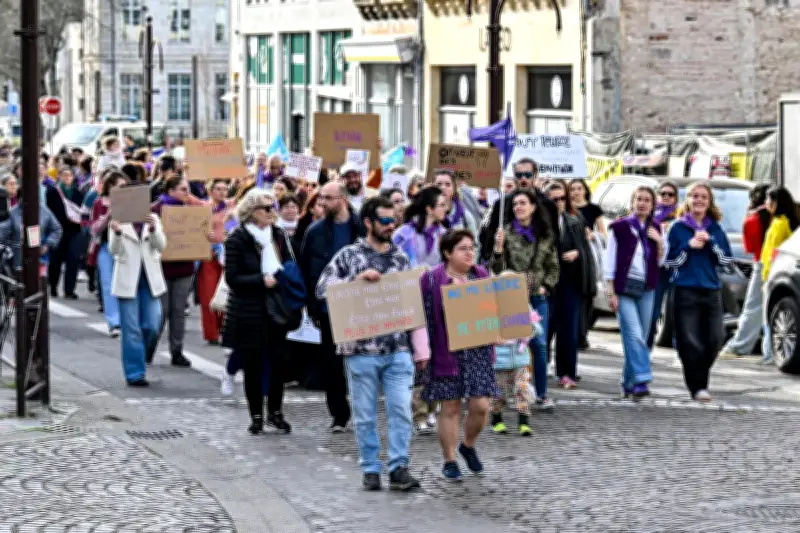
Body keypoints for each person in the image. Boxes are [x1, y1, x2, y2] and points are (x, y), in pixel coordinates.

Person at [316, 195, 427, 491]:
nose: (392, 226)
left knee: (401, 409)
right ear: (369, 222)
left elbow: (413, 303)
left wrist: (421, 348)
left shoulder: (402, 258)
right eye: (386, 221)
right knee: (364, 414)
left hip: (397, 348)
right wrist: (355, 280)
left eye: (395, 220)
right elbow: (321, 288)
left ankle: (399, 467)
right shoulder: (349, 255)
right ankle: (370, 468)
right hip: (360, 349)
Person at [419, 229, 501, 481]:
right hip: (446, 351)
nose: (470, 253)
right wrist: (423, 351)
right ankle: (450, 459)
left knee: (481, 406)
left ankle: (468, 444)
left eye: (471, 248)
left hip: (477, 352)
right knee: (450, 406)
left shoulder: (481, 275)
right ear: (447, 252)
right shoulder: (431, 280)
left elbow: (493, 310)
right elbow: (421, 318)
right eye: (463, 248)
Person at [223, 188, 295, 434]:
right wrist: (259, 280)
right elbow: (232, 278)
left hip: (276, 308)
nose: (271, 212)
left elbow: (289, 264)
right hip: (248, 310)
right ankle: (256, 415)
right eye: (266, 208)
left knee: (279, 363)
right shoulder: (237, 238)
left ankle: (275, 413)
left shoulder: (278, 235)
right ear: (251, 211)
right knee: (252, 365)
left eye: (272, 207)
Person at [300, 181, 365, 432]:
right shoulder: (314, 232)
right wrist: (311, 306)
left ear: (343, 199)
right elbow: (307, 271)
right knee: (332, 362)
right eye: (321, 198)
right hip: (329, 307)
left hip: (360, 305)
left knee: (360, 362)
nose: (323, 202)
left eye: (328, 197)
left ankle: (361, 410)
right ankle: (339, 414)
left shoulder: (362, 228)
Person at [665, 182, 733, 402]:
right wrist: (689, 245)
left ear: (709, 201)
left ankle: (697, 373)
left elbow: (726, 261)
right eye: (695, 196)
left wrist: (710, 242)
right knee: (689, 341)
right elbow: (670, 262)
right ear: (688, 200)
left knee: (716, 338)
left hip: (711, 291)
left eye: (703, 196)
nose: (699, 200)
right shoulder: (677, 228)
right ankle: (698, 387)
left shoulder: (716, 228)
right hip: (685, 290)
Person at [491, 189, 559, 408]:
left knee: (538, 343)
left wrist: (545, 287)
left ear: (533, 206)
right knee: (512, 343)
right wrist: (498, 250)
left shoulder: (545, 234)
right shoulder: (507, 232)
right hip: (513, 297)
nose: (518, 207)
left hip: (538, 296)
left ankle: (541, 392)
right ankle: (509, 391)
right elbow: (497, 270)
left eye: (522, 203)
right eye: (515, 204)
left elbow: (553, 266)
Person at [604, 186, 665, 399]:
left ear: (652, 205)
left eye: (647, 200)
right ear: (632, 202)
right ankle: (641, 378)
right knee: (634, 334)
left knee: (642, 336)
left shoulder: (656, 227)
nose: (642, 203)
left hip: (647, 288)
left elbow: (661, 262)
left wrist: (659, 241)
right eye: (639, 199)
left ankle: (628, 382)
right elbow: (609, 261)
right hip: (623, 287)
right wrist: (610, 292)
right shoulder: (619, 227)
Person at [108, 209, 166, 387]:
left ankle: (143, 354)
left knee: (153, 324)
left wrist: (154, 229)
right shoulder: (118, 218)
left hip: (150, 279)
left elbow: (161, 246)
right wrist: (117, 233)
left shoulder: (152, 218)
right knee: (131, 329)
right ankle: (135, 373)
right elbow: (114, 250)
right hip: (127, 279)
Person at [546, 180, 595, 388]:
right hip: (546, 282)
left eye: (562, 198)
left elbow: (585, 251)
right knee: (543, 330)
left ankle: (567, 373)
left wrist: (577, 253)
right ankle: (537, 369)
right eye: (554, 199)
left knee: (568, 330)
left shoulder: (574, 221)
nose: (558, 202)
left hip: (569, 281)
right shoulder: (539, 222)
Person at [721, 184, 772, 358]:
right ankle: (770, 351)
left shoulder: (751, 220)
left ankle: (739, 346)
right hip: (780, 265)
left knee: (752, 308)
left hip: (760, 265)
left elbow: (749, 248)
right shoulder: (781, 218)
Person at [151, 175, 193, 367]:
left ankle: (177, 351)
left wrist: (206, 236)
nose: (187, 193)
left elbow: (200, 235)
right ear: (170, 191)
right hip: (161, 267)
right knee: (161, 311)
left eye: (188, 189)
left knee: (178, 311)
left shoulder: (191, 211)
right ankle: (148, 348)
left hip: (184, 267)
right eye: (183, 189)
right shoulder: (155, 211)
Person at [759, 186, 800, 364]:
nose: (766, 204)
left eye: (769, 200)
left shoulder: (779, 224)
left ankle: (769, 353)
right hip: (772, 269)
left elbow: (770, 251)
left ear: (776, 203)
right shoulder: (780, 222)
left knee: (766, 316)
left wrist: (766, 274)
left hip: (770, 270)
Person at [90, 171, 130, 337]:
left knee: (126, 283)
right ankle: (114, 322)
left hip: (126, 246)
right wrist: (108, 214)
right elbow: (94, 229)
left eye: (124, 186)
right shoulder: (100, 202)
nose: (123, 190)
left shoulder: (131, 202)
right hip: (106, 247)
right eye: (119, 187)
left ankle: (127, 320)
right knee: (107, 284)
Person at [569, 178, 605, 349]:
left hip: (588, 256)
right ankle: (574, 333)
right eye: (572, 189)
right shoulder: (566, 210)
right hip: (570, 256)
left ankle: (582, 335)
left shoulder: (594, 209)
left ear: (585, 190)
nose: (576, 192)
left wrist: (593, 236)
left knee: (586, 296)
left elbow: (604, 235)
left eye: (579, 188)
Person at [647, 180, 680, 349]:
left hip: (676, 269)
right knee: (653, 309)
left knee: (677, 308)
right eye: (663, 194)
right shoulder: (650, 217)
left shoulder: (681, 218)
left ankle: (679, 346)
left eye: (671, 194)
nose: (666, 197)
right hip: (657, 269)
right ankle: (647, 347)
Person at [197, 179, 229, 345]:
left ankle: (225, 329)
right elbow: (194, 229)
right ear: (210, 190)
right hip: (208, 256)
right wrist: (204, 234)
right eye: (218, 188)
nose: (222, 192)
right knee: (208, 295)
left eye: (225, 188)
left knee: (225, 293)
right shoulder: (203, 208)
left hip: (228, 256)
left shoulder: (231, 209)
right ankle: (211, 333)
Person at [46, 167, 86, 299]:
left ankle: (69, 290)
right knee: (55, 260)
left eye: (69, 175)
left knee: (73, 259)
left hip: (74, 230)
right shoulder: (52, 192)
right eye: (64, 175)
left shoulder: (78, 192)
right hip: (57, 229)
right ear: (59, 177)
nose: (67, 178)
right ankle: (53, 286)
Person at [392, 186, 448, 268]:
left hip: (436, 279)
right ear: (429, 209)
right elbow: (390, 257)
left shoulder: (443, 233)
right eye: (442, 205)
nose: (445, 208)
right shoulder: (404, 232)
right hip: (409, 279)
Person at [434, 170, 479, 238]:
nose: (443, 187)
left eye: (448, 184)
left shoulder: (465, 217)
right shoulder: (426, 214)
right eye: (439, 184)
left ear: (454, 189)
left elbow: (475, 245)